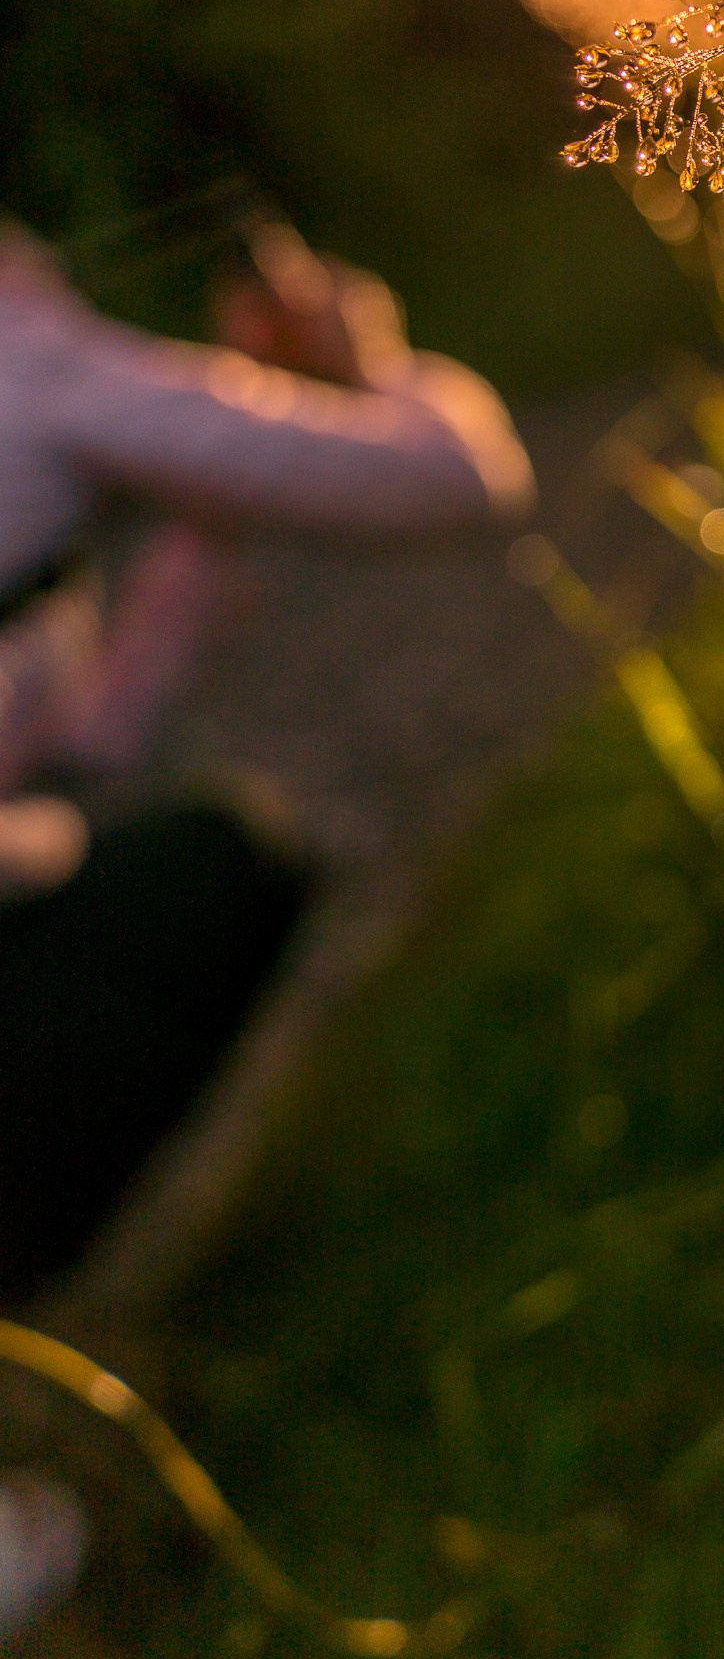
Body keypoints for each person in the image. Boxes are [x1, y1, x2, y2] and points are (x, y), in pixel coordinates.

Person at [0, 220, 533, 1639]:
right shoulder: (29, 364)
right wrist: (365, 363)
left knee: (159, 860)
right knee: (224, 860)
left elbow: (84, 737)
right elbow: (458, 473)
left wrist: (204, 496)